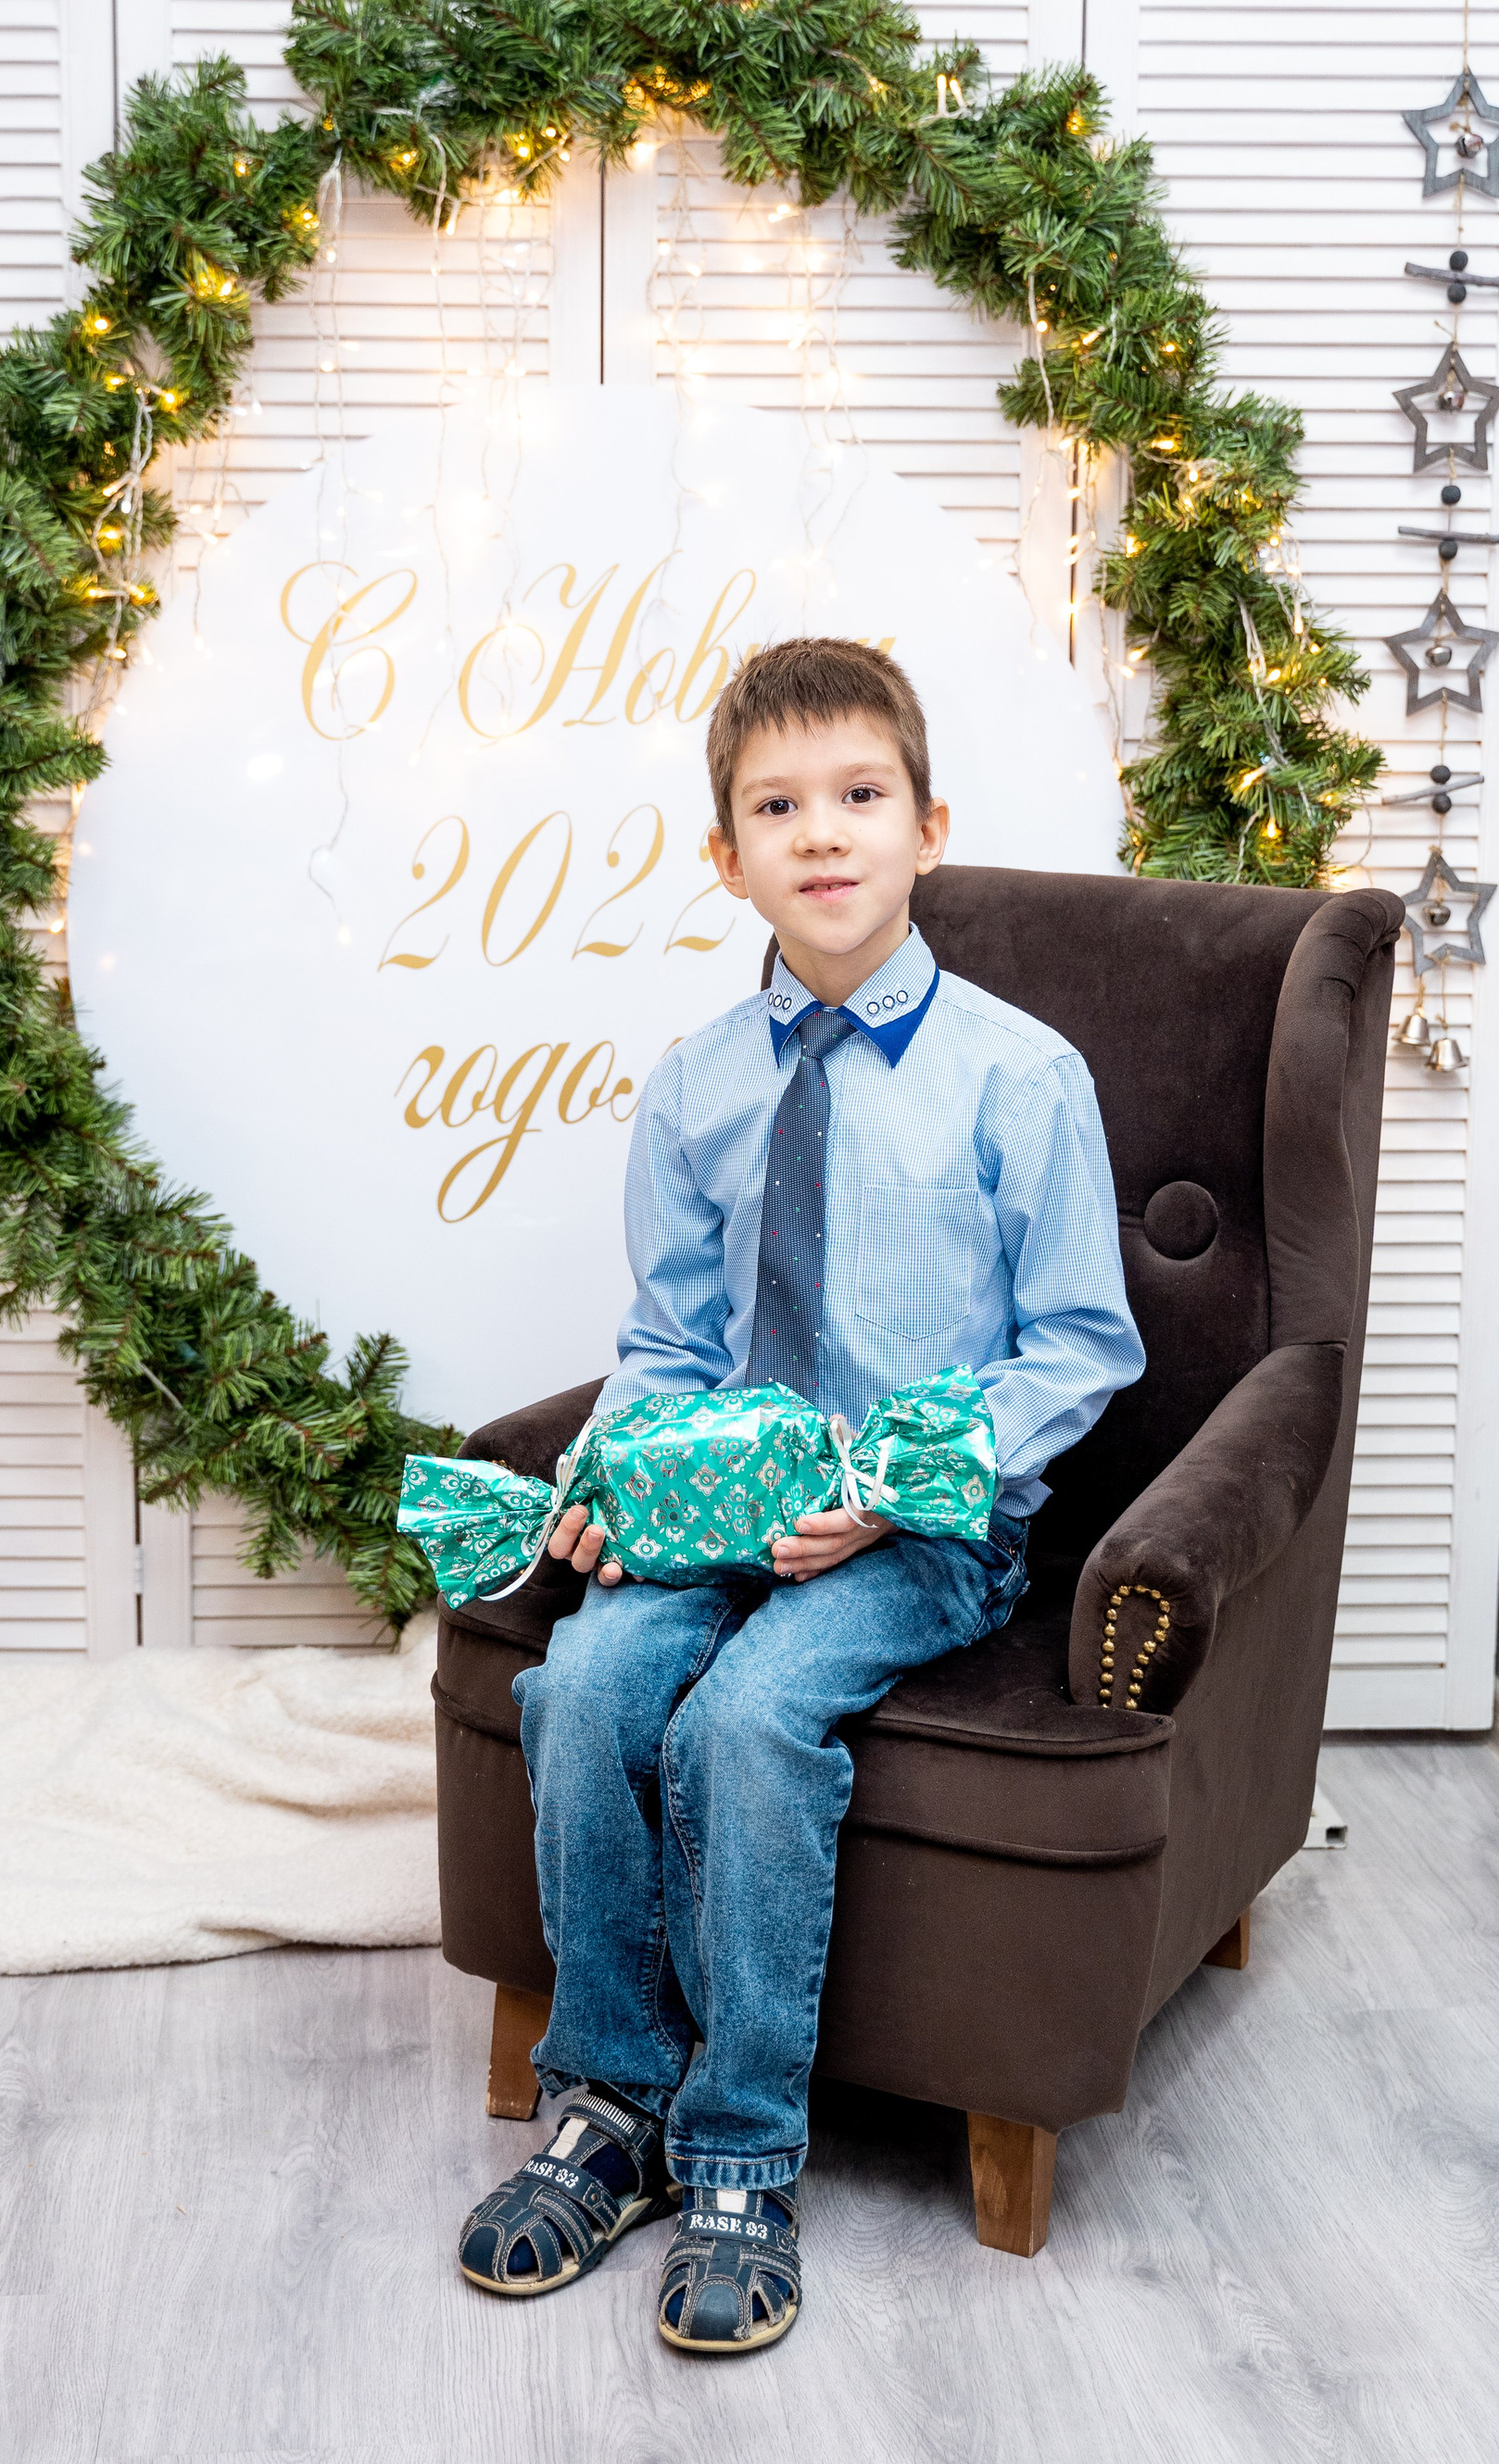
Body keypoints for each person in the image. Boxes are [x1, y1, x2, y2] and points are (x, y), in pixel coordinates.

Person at [456, 637, 1144, 2353]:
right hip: (721, 1504)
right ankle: (610, 2102)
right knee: (587, 1684)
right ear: (727, 855)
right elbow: (669, 1342)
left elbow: (1078, 1347)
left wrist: (890, 1489)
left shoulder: (1021, 1076)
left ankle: (743, 2149)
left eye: (860, 796)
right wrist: (615, 1477)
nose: (823, 834)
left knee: (747, 1719)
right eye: (778, 808)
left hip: (923, 1532)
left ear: (927, 830)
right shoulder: (697, 1084)